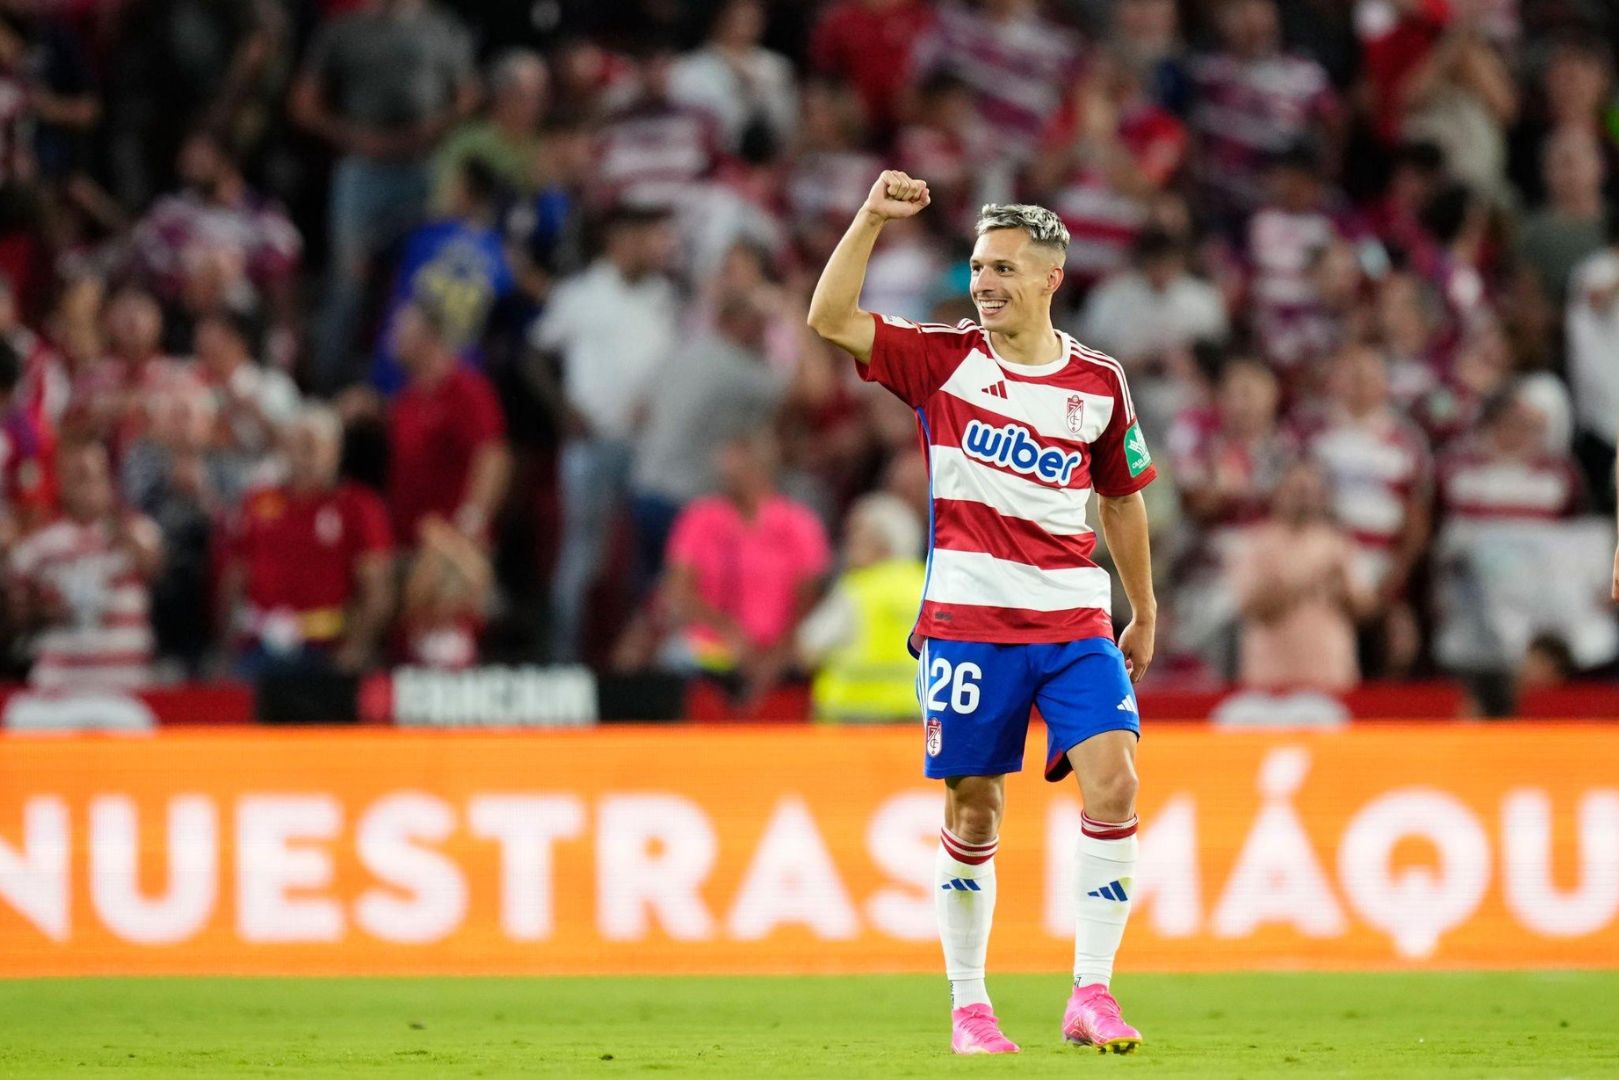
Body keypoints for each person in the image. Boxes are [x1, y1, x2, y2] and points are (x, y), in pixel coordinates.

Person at [808, 172, 1157, 1054]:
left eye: (1002, 267)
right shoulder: (945, 359)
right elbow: (828, 318)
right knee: (974, 812)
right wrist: (870, 218)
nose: (985, 282)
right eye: (975, 266)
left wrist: (1143, 609)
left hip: (1075, 623)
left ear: (1050, 278)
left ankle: (1092, 994)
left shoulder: (1098, 382)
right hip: (968, 622)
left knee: (1114, 781)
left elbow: (1120, 499)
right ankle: (970, 1007)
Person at [220, 406, 393, 676]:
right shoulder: (259, 502)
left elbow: (377, 589)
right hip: (259, 646)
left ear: (335, 451)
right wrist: (227, 646)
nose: (304, 457)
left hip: (326, 650)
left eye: (312, 446)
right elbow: (235, 577)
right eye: (295, 446)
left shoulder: (358, 507)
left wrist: (356, 649)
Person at [6, 440, 161, 692]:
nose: (89, 486)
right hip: (58, 687)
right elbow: (15, 616)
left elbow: (154, 564)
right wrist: (41, 611)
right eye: (80, 476)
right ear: (62, 482)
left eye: (97, 475)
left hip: (123, 685)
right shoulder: (39, 546)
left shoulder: (136, 532)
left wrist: (115, 523)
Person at [1232, 460, 1373, 692]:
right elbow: (1251, 608)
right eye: (1297, 491)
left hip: (1331, 676)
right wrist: (1309, 580)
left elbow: (1364, 607)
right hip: (1269, 681)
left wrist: (1342, 589)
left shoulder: (1339, 543)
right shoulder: (1255, 544)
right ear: (1278, 493)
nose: (1304, 499)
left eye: (1312, 492)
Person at [797, 492, 927, 722]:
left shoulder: (859, 589)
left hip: (855, 722)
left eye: (859, 537)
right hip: (918, 720)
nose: (849, 546)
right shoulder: (927, 585)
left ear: (883, 544)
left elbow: (808, 647)